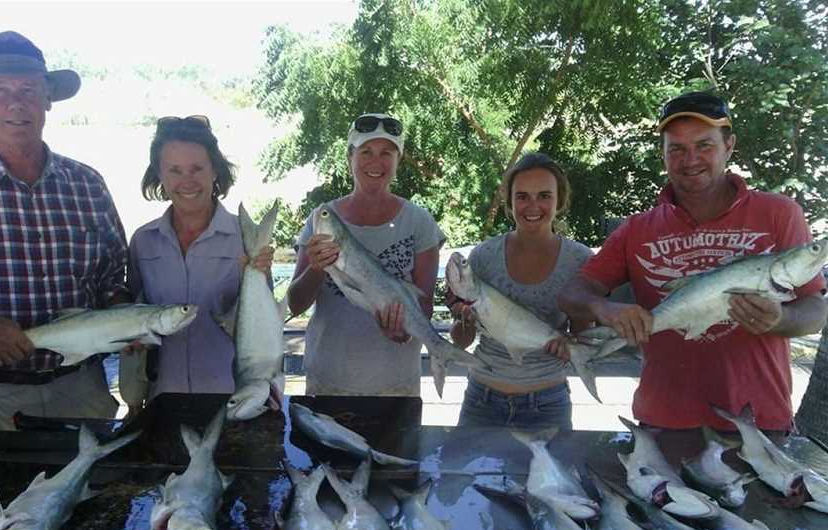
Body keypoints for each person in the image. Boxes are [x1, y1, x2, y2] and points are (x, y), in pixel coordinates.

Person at [557, 91, 827, 433]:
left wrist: (781, 318)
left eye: (704, 145)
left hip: (759, 422)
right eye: (677, 149)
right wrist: (603, 309)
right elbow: (571, 294)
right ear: (664, 154)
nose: (691, 159)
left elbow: (815, 311)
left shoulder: (780, 213)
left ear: (729, 145)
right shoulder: (636, 229)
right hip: (663, 421)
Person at [0, 31, 129, 441]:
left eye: (28, 90)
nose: (16, 103)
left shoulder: (87, 184)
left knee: (98, 500)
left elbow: (112, 278)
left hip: (82, 390)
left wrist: (128, 321)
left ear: (48, 99)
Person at [287, 113, 445, 396]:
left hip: (396, 387)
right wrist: (315, 267)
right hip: (327, 381)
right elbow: (295, 304)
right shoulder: (319, 219)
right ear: (350, 157)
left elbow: (424, 306)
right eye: (366, 152)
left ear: (398, 160)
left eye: (387, 152)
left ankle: (441, 355)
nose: (376, 161)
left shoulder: (420, 222)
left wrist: (403, 332)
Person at [127, 115, 273, 400]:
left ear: (215, 171)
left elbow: (264, 327)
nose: (187, 181)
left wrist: (257, 276)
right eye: (175, 170)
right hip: (162, 399)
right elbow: (133, 315)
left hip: (235, 397)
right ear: (160, 174)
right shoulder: (142, 241)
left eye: (197, 169)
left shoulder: (247, 239)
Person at [445, 152, 593, 430]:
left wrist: (569, 346)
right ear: (509, 202)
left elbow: (583, 338)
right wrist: (464, 317)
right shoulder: (483, 256)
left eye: (544, 196)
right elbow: (461, 341)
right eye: (522, 196)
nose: (533, 206)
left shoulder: (580, 260)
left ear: (559, 200)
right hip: (481, 400)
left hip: (548, 404)